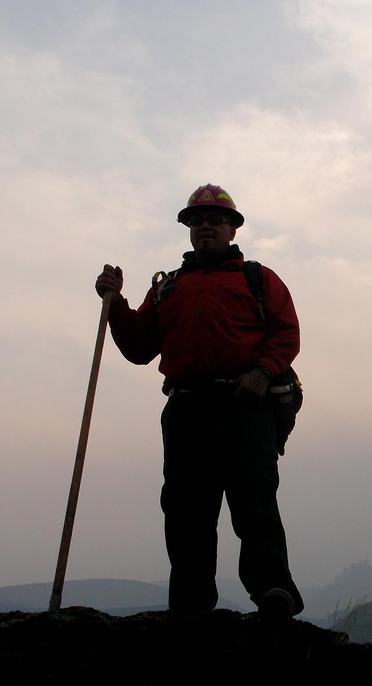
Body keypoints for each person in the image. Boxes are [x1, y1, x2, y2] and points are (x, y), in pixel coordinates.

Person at [95, 183, 303, 623]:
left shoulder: (259, 280)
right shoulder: (168, 288)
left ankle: (273, 592)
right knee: (186, 510)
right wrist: (115, 305)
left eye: (214, 219)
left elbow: (286, 334)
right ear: (189, 230)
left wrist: (263, 371)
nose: (204, 226)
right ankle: (190, 606)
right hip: (187, 408)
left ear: (232, 227)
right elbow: (139, 348)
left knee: (255, 502)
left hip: (246, 406)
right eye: (196, 221)